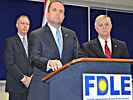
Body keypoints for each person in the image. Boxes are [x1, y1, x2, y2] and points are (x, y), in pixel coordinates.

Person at [27, 1, 85, 100]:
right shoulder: (36, 34)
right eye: (54, 10)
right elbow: (34, 58)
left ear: (64, 16)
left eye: (61, 11)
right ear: (47, 14)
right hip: (43, 88)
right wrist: (49, 63)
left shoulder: (71, 34)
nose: (58, 13)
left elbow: (78, 56)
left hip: (66, 88)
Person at [3, 15, 33, 100]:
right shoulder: (10, 42)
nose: (25, 26)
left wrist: (31, 78)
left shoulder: (33, 42)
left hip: (31, 85)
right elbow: (9, 63)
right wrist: (23, 79)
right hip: (16, 85)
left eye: (27, 24)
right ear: (17, 25)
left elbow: (36, 61)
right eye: (22, 23)